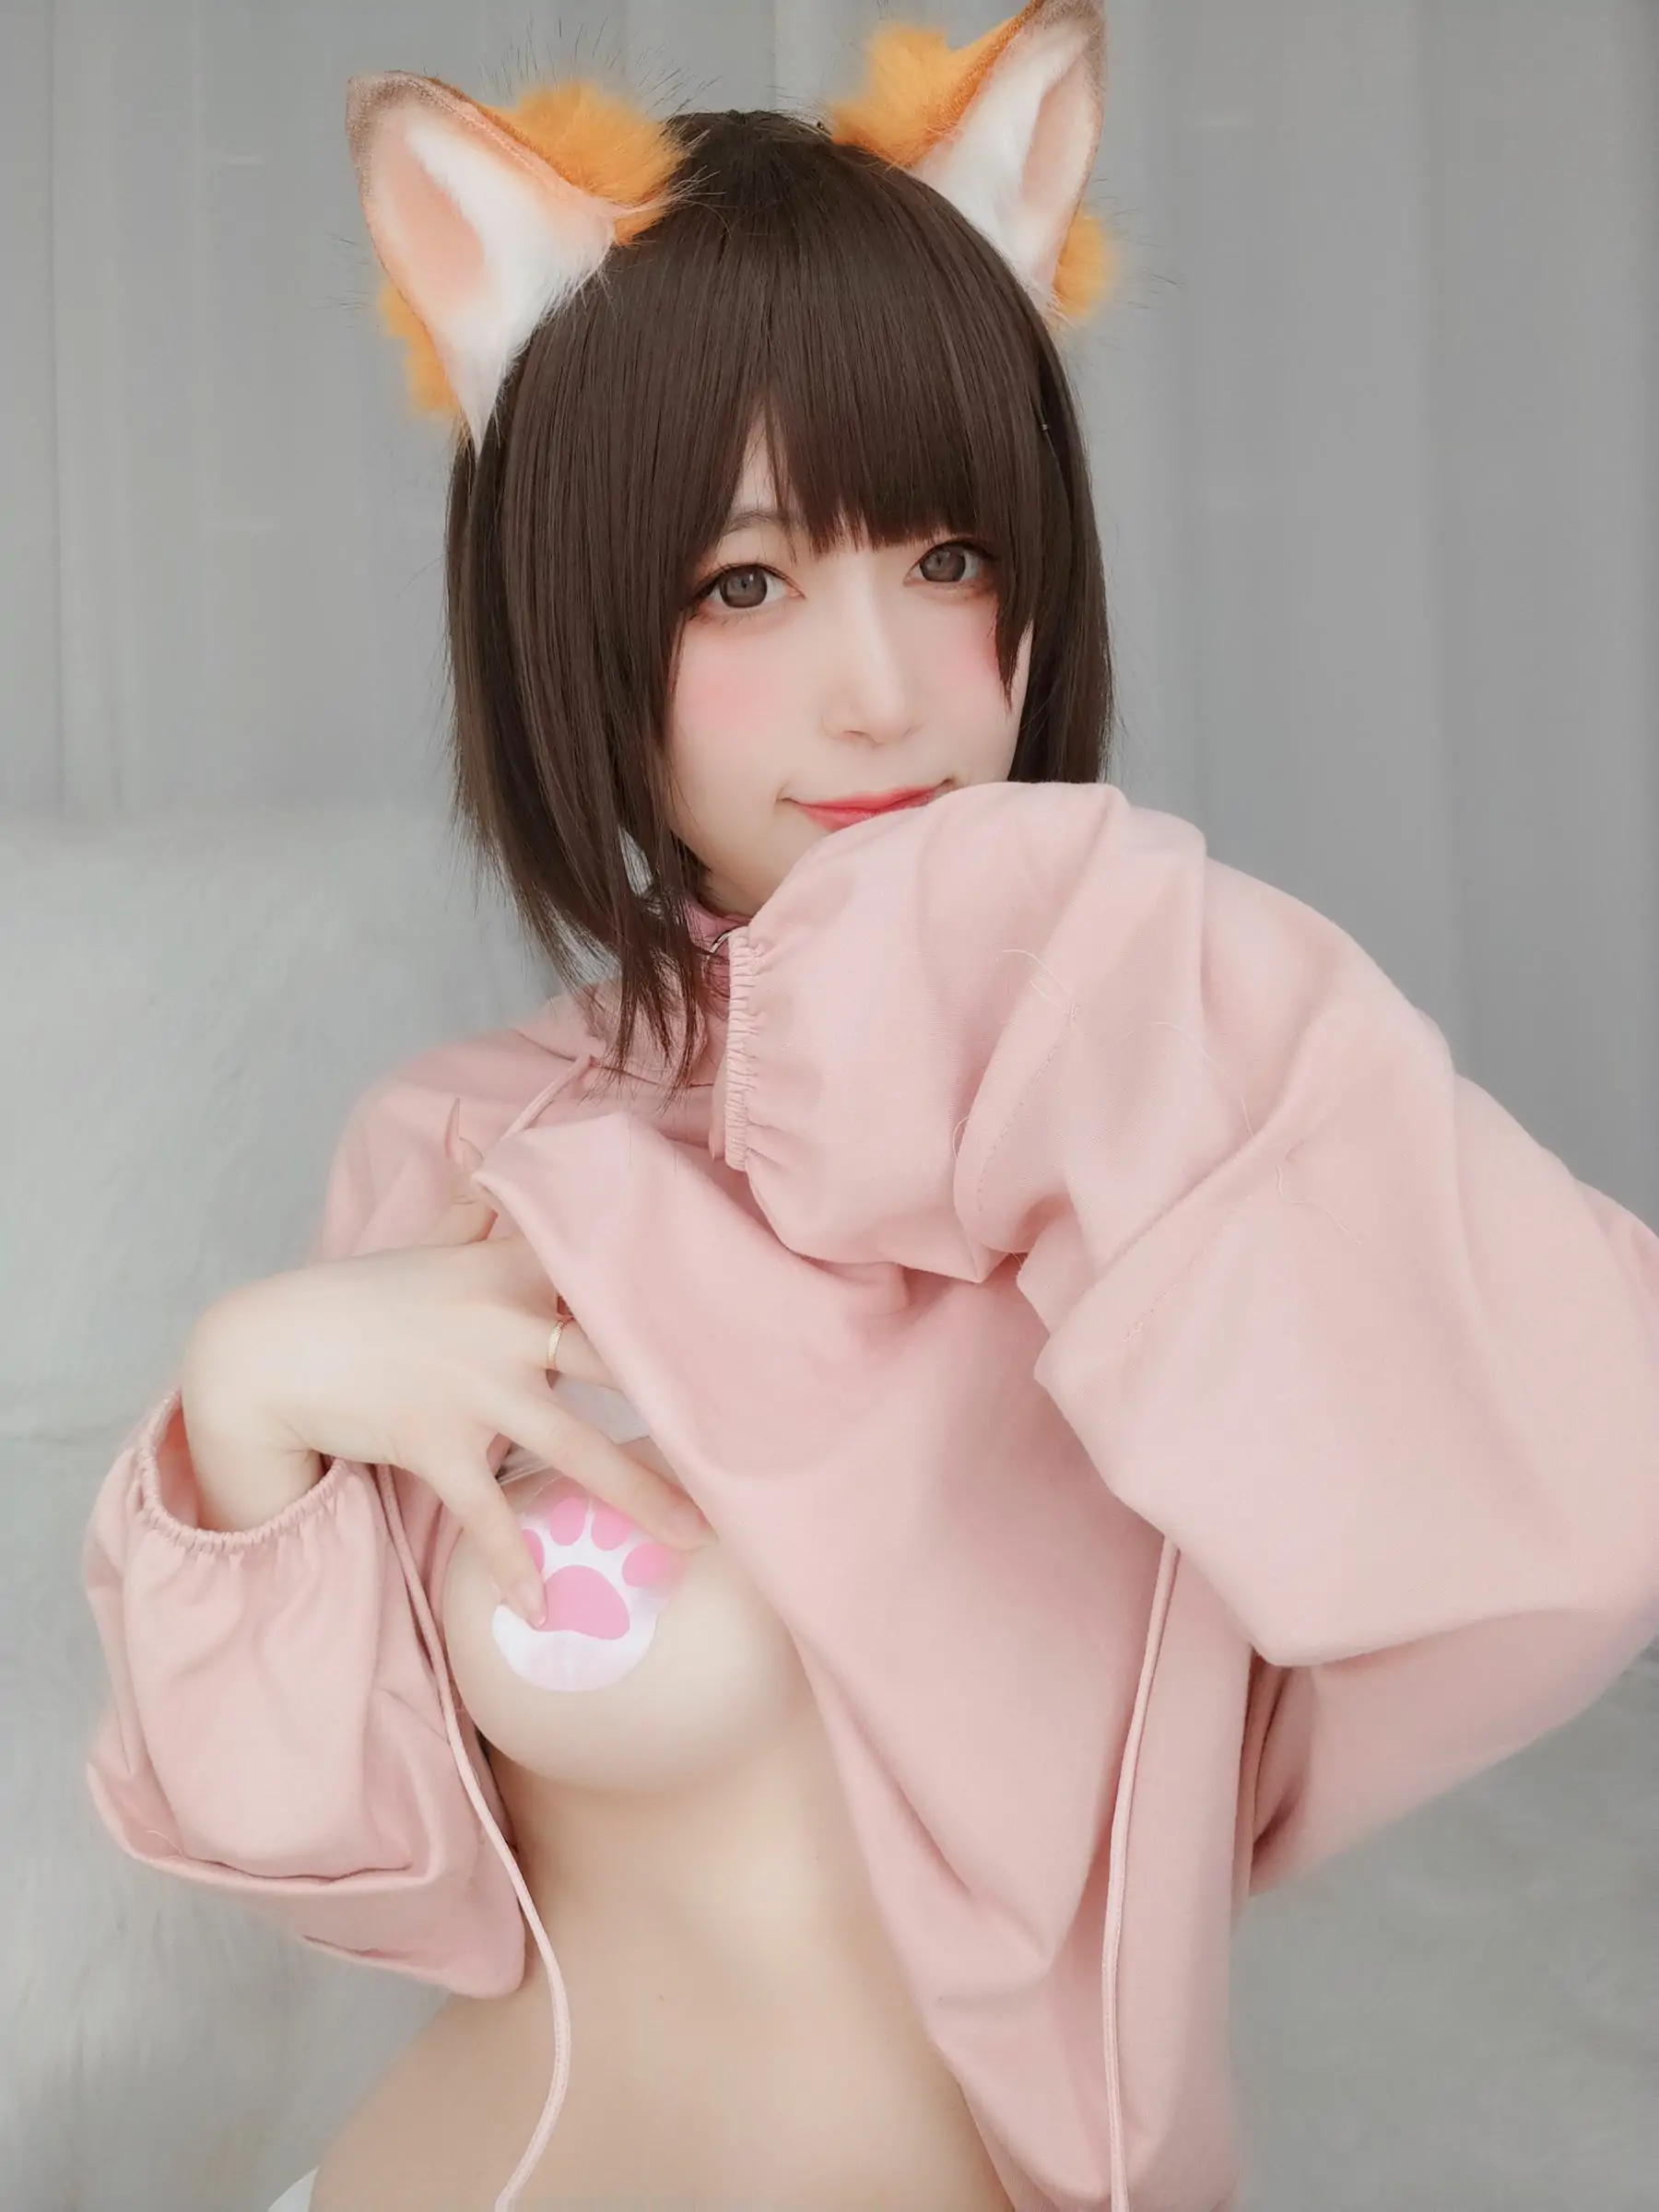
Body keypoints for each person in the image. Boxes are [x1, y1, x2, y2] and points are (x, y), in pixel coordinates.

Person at [81, 6, 1659, 2211]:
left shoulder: (1158, 1078)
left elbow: (1576, 1512)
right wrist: (243, 1424)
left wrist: (1082, 958)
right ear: (576, 628)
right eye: (744, 584)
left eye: (947, 558)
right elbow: (367, 1863)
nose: (884, 690)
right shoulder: (470, 1149)